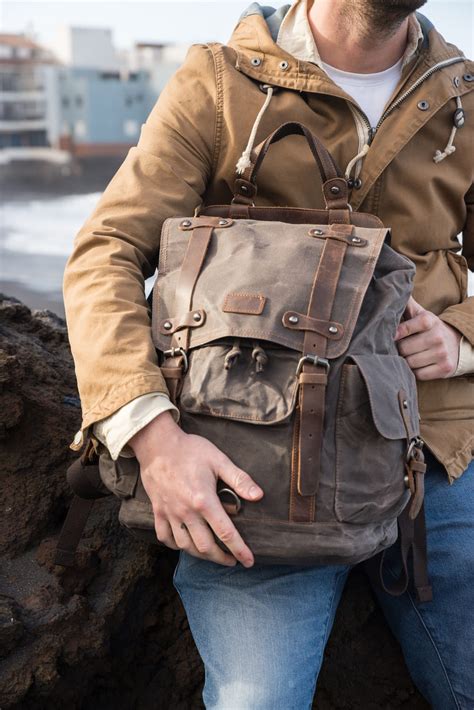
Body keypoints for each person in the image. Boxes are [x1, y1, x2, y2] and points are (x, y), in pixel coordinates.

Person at [62, 0, 474, 706]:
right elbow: (107, 252)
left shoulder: (463, 96)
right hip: (253, 474)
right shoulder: (218, 82)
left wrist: (464, 336)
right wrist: (154, 440)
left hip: (433, 455)